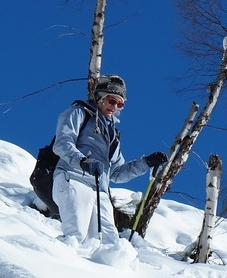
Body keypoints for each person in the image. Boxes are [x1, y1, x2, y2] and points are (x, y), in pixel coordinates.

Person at [52, 75, 167, 246]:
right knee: (76, 237)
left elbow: (117, 173)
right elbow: (62, 143)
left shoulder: (112, 133)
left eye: (120, 104)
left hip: (100, 191)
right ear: (100, 97)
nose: (115, 107)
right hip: (73, 179)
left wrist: (146, 163)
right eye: (112, 101)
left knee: (110, 246)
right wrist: (82, 161)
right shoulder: (78, 112)